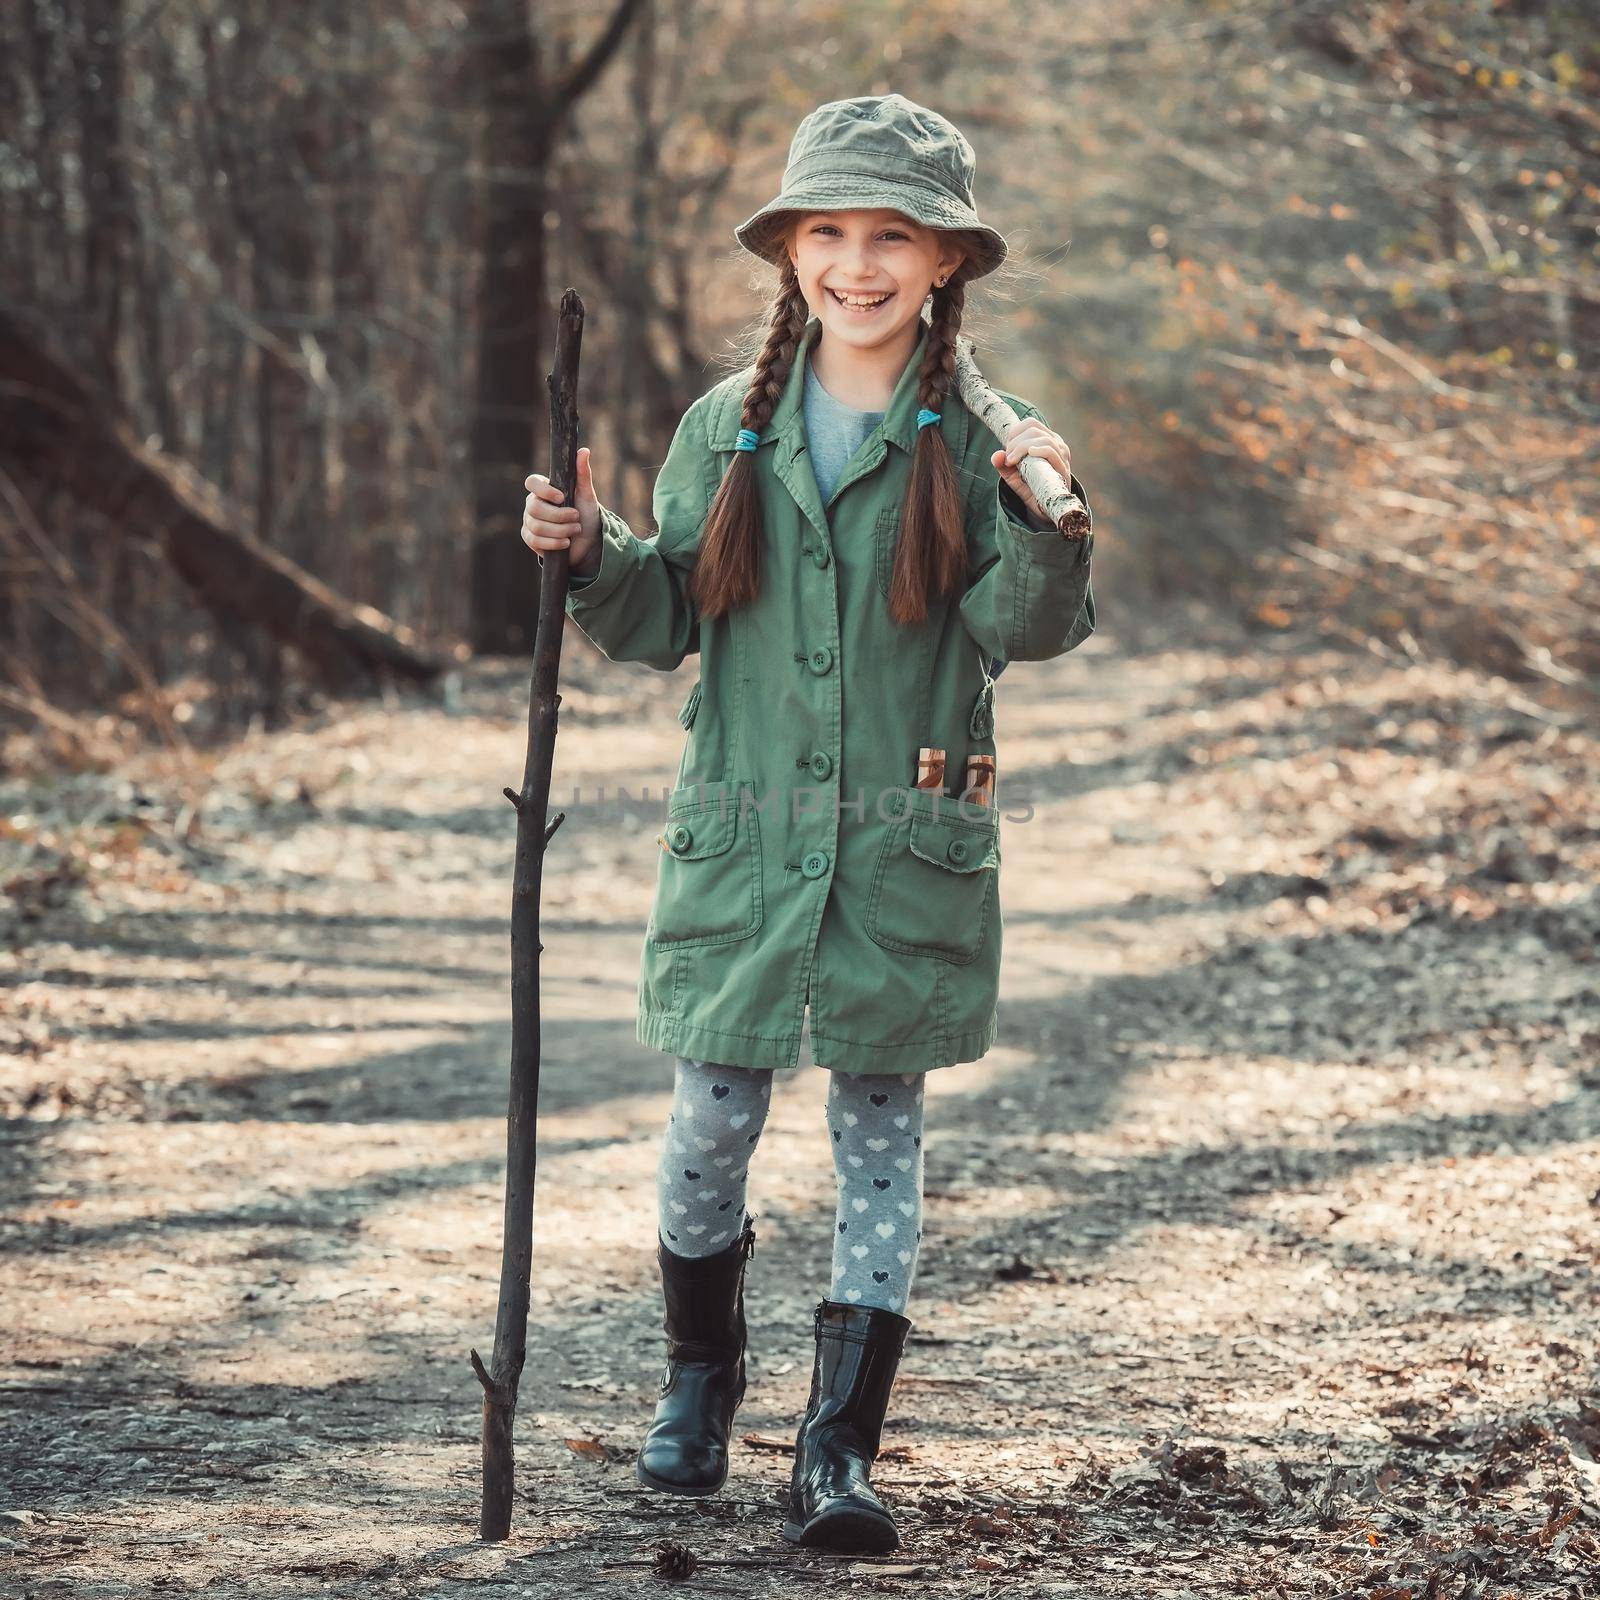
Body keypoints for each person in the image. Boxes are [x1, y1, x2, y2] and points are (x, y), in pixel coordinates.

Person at [520, 93, 1095, 1553]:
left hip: (903, 852)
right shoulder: (730, 426)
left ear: (945, 261)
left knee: (878, 1138)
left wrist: (1051, 518)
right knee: (710, 1127)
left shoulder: (981, 441)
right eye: (828, 233)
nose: (856, 263)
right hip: (748, 844)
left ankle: (837, 1448)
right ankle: (700, 1379)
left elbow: (1026, 632)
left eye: (890, 235)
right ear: (789, 254)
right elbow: (663, 620)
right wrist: (591, 555)